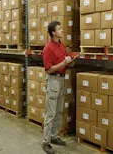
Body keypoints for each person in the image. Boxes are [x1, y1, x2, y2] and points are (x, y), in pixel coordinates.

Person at [42, 21, 75, 154]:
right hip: (53, 80)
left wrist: (69, 62)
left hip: (61, 80)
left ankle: (54, 136)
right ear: (53, 33)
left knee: (59, 111)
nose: (62, 30)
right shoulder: (48, 48)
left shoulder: (61, 45)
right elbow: (49, 70)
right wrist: (63, 63)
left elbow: (63, 63)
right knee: (50, 113)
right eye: (59, 29)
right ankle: (46, 142)